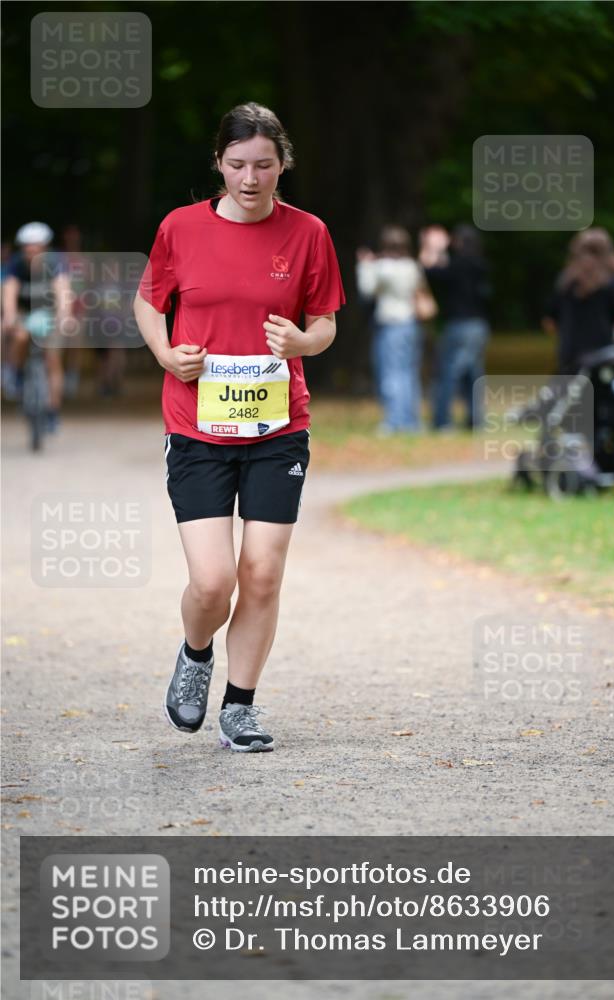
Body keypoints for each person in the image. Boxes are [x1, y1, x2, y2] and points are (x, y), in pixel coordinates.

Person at [134, 102, 345, 753]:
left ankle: (241, 707)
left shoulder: (307, 232)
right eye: (236, 165)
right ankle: (196, 653)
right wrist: (168, 354)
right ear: (218, 165)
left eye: (263, 165)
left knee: (261, 573)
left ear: (282, 163)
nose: (250, 178)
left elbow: (326, 323)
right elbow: (148, 301)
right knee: (212, 581)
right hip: (197, 427)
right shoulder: (180, 228)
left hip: (277, 428)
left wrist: (301, 343)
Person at [419, 223, 491, 431]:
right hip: (479, 326)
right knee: (473, 373)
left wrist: (432, 248)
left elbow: (430, 271)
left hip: (459, 325)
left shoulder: (458, 265)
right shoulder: (481, 265)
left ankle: (442, 420)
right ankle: (476, 420)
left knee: (447, 373)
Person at [356, 226, 426, 434]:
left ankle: (394, 420)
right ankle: (412, 420)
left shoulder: (383, 267)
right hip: (411, 323)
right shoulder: (413, 266)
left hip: (390, 324)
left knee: (390, 373)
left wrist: (364, 266)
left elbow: (367, 290)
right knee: (409, 372)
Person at [1, 222, 71, 430]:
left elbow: (63, 291)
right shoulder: (16, 265)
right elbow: (10, 293)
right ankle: (16, 373)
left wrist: (64, 316)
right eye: (27, 248)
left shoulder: (55, 263)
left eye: (36, 248)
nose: (31, 252)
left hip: (49, 315)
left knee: (52, 359)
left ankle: (52, 411)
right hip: (25, 313)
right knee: (20, 336)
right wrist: (10, 317)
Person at [542, 227, 614, 375]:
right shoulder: (612, 283)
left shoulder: (566, 281)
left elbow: (549, 324)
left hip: (569, 360)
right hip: (604, 359)